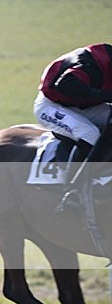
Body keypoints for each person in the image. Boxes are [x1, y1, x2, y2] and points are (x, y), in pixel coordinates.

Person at [34, 43, 112, 208]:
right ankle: (73, 191)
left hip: (85, 104)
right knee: (89, 134)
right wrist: (106, 96)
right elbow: (65, 85)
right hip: (52, 105)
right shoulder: (90, 65)